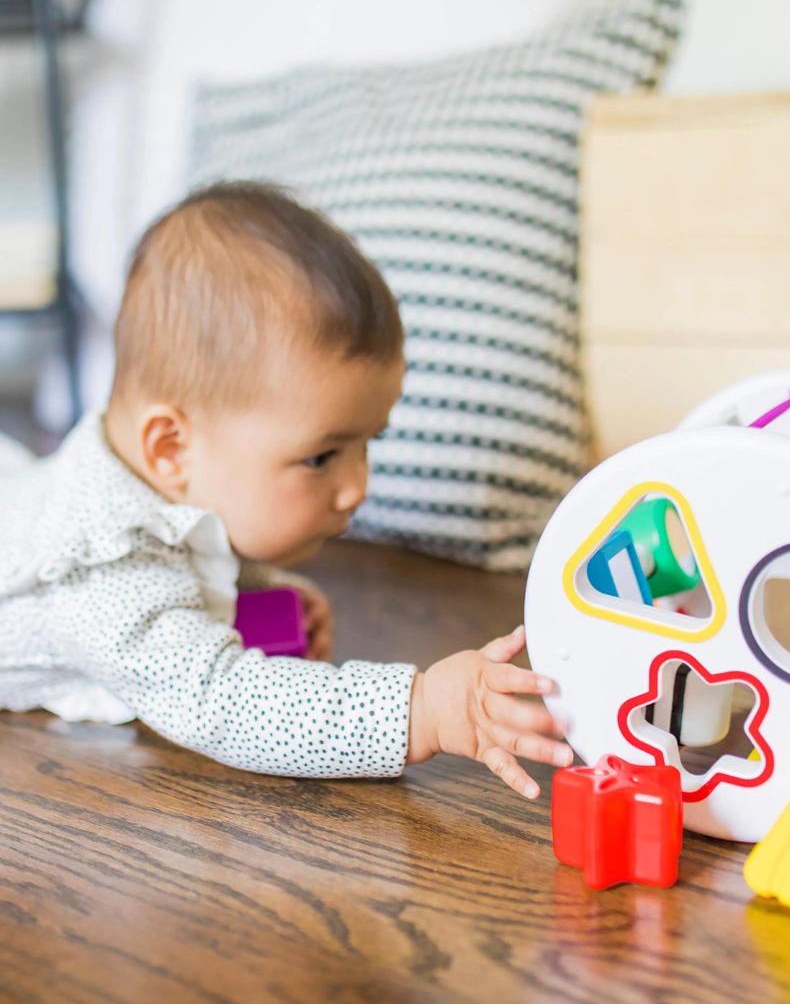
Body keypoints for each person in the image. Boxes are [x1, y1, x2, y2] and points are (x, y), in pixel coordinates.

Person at [0, 181, 571, 799]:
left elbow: (191, 538)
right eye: (322, 456)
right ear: (171, 449)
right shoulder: (100, 571)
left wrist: (257, 589)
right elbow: (223, 702)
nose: (357, 487)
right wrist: (423, 709)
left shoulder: (150, 484)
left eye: (367, 444)